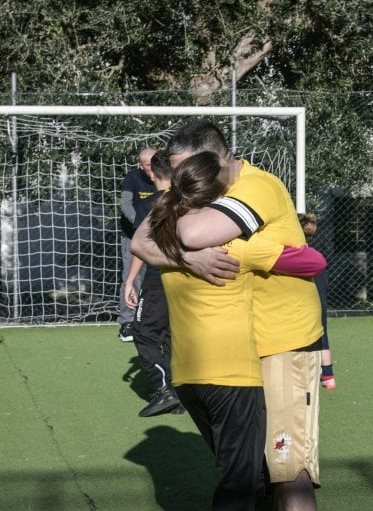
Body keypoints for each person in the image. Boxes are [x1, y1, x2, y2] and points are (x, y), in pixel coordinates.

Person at [137, 120, 323, 511]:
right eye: (175, 174)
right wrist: (187, 259)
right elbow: (143, 241)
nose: (178, 183)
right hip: (238, 357)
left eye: (188, 171)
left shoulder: (256, 187)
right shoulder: (200, 195)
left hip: (281, 344)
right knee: (255, 471)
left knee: (289, 468)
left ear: (217, 159)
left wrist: (182, 249)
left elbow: (189, 234)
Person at [124, 150, 183, 417]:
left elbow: (141, 246)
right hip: (187, 279)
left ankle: (164, 389)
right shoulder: (189, 201)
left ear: (153, 172)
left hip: (158, 278)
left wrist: (129, 281)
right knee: (172, 335)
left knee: (144, 333)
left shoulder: (152, 205)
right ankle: (178, 395)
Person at [117, 147, 156, 342]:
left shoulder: (166, 178)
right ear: (141, 166)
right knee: (131, 278)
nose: (153, 169)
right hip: (132, 236)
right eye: (149, 165)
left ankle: (153, 320)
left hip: (158, 237)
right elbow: (126, 204)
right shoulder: (132, 178)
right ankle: (127, 322)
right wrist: (141, 226)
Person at [298, 213, 336, 390]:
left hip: (306, 304)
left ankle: (312, 375)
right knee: (323, 333)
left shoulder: (296, 257)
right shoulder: (316, 256)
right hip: (319, 299)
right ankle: (328, 376)